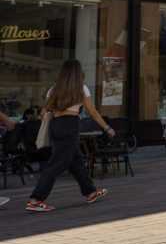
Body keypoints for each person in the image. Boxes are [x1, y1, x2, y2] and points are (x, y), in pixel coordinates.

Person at [26, 60, 110, 212]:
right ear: (78, 73)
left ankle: (90, 192)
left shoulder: (53, 90)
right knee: (57, 163)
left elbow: (44, 113)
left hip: (56, 125)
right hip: (70, 124)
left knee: (75, 160)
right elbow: (92, 112)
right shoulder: (81, 88)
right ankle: (36, 199)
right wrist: (106, 127)